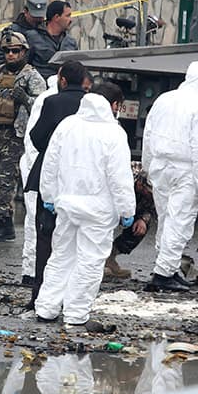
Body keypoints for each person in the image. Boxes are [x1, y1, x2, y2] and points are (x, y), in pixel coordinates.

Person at [35, 91, 135, 328]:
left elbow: (51, 163)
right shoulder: (114, 133)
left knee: (61, 257)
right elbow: (119, 177)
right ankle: (76, 314)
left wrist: (49, 195)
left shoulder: (67, 126)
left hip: (67, 204)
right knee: (90, 261)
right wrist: (127, 210)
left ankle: (46, 308)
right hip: (98, 209)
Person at [141, 61, 198, 292]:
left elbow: (148, 133)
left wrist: (147, 166)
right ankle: (163, 274)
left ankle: (168, 267)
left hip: (160, 166)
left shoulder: (164, 99)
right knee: (179, 221)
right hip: (185, 170)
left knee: (165, 219)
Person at [25, 60, 93, 307]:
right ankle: (70, 296)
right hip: (82, 178)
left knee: (46, 238)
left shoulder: (53, 102)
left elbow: (36, 137)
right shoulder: (92, 104)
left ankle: (40, 294)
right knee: (76, 241)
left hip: (50, 176)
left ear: (62, 80)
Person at [0, 32, 47, 247]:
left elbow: (42, 106)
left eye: (15, 51)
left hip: (14, 137)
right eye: (7, 51)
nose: (10, 55)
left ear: (24, 52)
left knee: (5, 182)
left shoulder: (32, 77)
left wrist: (25, 98)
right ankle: (6, 225)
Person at [88, 80, 157, 281]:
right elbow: (118, 175)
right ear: (115, 105)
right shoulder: (112, 132)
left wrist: (141, 218)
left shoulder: (73, 125)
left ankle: (108, 259)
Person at [19, 73, 59, 286]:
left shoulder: (46, 98)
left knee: (34, 221)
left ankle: (32, 271)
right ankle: (35, 272)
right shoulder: (52, 101)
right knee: (40, 222)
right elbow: (35, 139)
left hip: (37, 167)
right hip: (40, 168)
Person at [28, 0, 79, 79]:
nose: (71, 20)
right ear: (56, 17)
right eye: (67, 16)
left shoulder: (71, 42)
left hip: (64, 87)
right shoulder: (32, 37)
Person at [0, 0, 48, 66]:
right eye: (34, 16)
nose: (37, 20)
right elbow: (1, 58)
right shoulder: (13, 30)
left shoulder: (47, 30)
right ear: (25, 12)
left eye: (40, 16)